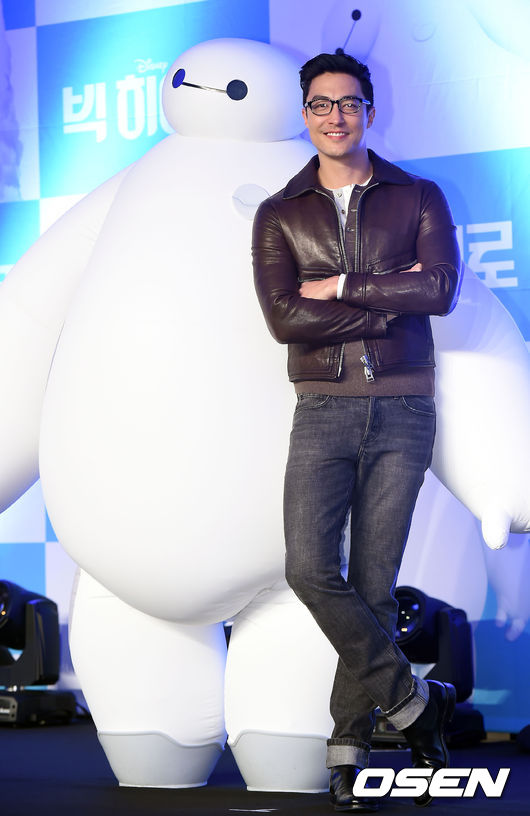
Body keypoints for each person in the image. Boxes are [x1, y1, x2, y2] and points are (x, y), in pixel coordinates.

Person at [252, 52, 462, 811]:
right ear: (305, 114)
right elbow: (285, 318)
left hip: (405, 407)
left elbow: (438, 289)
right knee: (309, 568)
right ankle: (414, 703)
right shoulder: (280, 212)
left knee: (372, 586)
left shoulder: (419, 195)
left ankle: (347, 751)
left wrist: (341, 287)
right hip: (322, 407)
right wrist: (384, 308)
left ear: (370, 111)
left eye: (348, 103)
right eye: (321, 104)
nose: (335, 116)